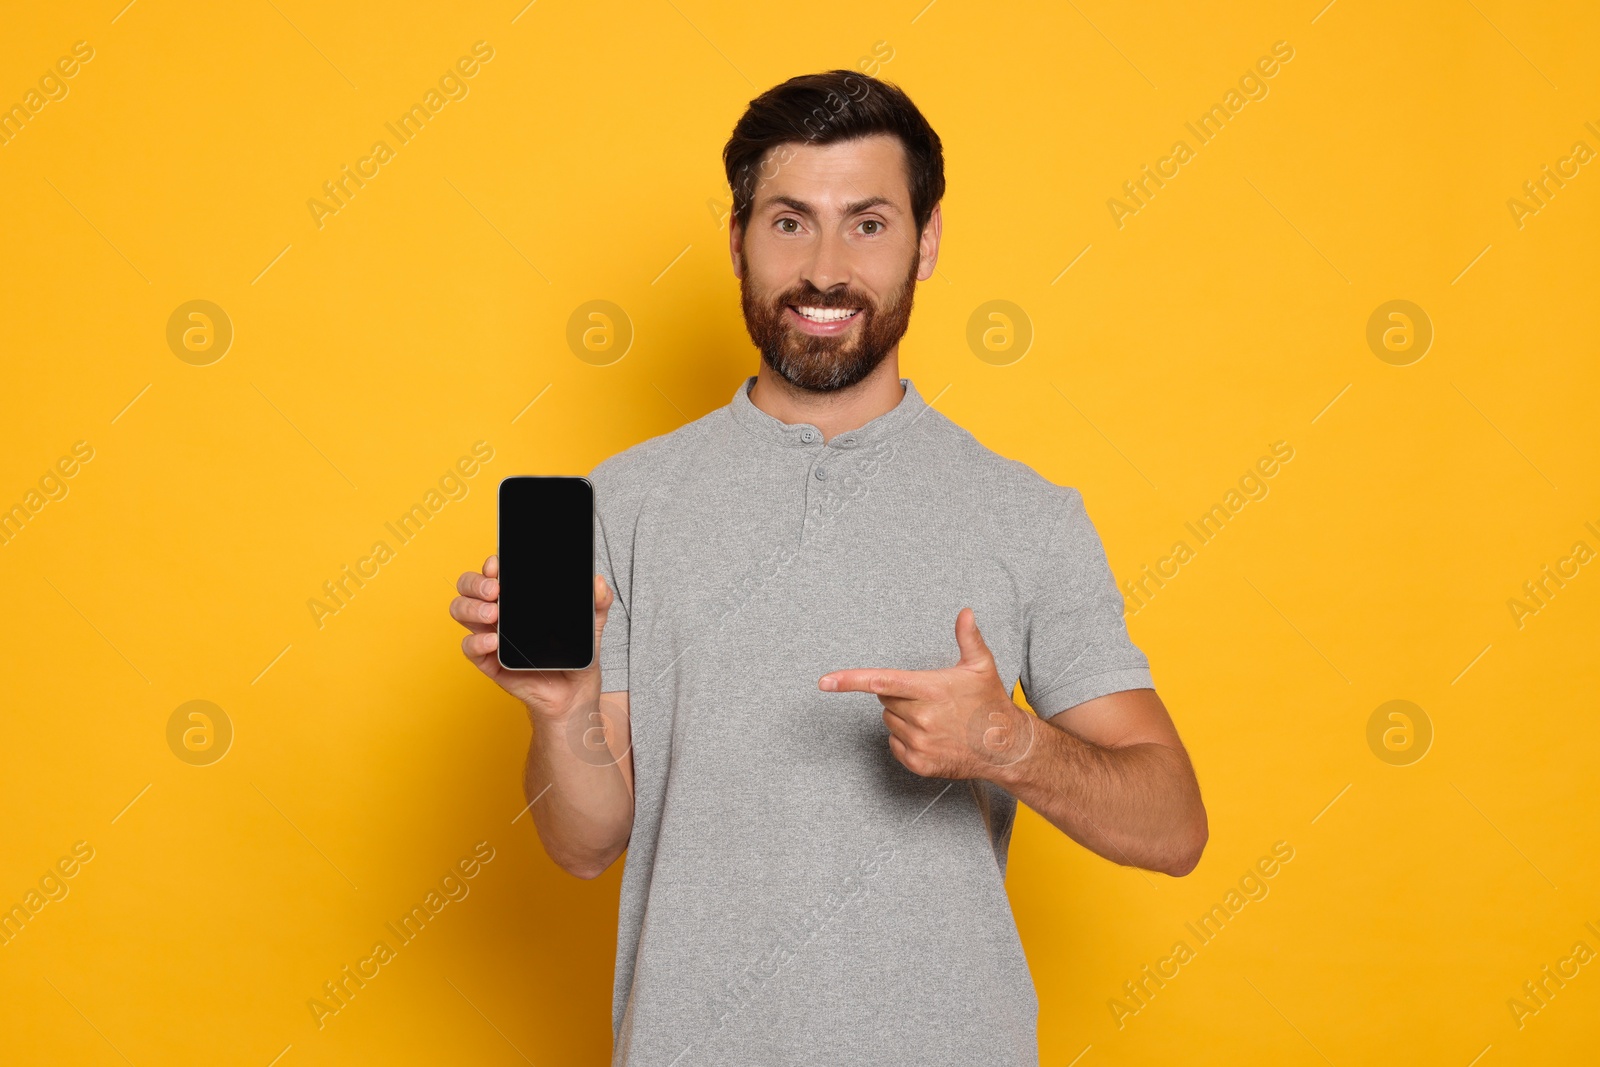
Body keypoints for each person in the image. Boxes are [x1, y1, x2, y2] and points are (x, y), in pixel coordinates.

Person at [451, 69, 1207, 1066]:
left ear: (925, 241)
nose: (823, 269)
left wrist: (1006, 742)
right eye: (790, 222)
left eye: (867, 223)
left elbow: (1174, 826)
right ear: (737, 239)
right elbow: (586, 842)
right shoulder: (627, 501)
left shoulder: (1026, 514)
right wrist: (564, 710)